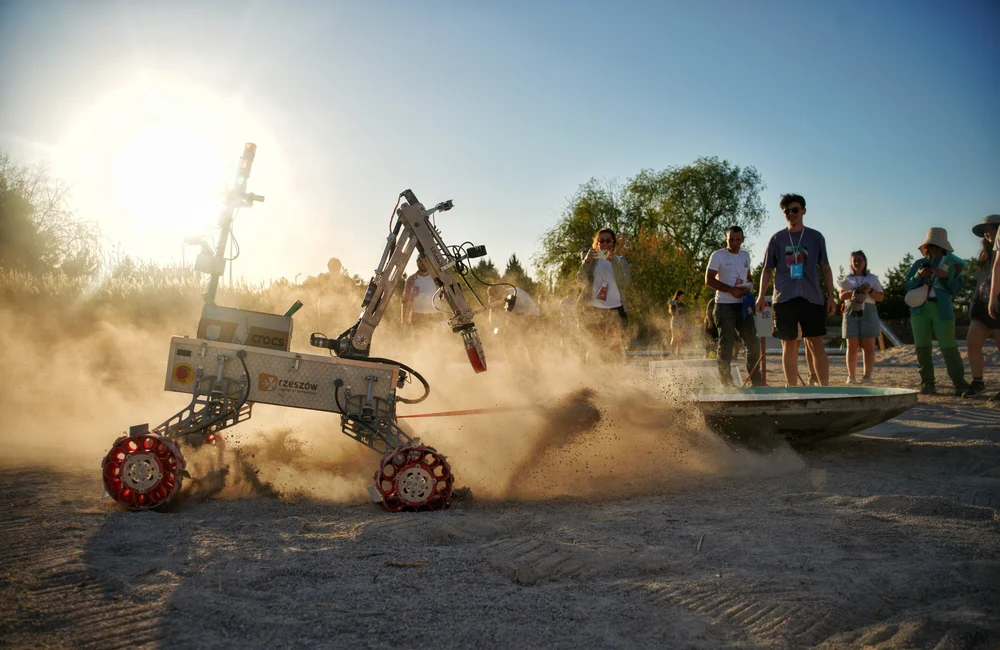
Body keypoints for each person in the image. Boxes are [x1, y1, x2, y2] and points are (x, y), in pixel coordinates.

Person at [756, 194, 837, 386]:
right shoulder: (777, 239)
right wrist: (760, 296)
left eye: (795, 210)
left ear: (803, 210)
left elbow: (825, 267)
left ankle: (824, 388)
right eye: (787, 211)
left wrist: (831, 295)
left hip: (812, 297)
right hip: (785, 298)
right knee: (789, 344)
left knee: (815, 342)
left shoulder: (816, 237)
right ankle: (791, 388)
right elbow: (767, 270)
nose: (791, 214)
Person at [904, 228, 969, 396]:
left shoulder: (953, 265)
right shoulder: (919, 264)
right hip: (920, 309)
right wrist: (919, 275)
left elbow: (957, 289)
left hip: (942, 309)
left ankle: (959, 382)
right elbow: (908, 286)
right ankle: (927, 383)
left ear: (943, 248)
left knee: (949, 347)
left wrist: (946, 277)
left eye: (936, 246)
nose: (932, 249)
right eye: (930, 246)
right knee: (922, 347)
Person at [706, 225, 762, 385]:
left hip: (743, 305)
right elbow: (708, 280)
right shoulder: (718, 255)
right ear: (726, 239)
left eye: (738, 239)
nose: (734, 243)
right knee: (726, 344)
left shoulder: (745, 255)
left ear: (743, 240)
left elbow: (748, 276)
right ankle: (727, 382)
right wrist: (731, 290)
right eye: (731, 239)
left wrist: (749, 286)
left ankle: (756, 380)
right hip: (724, 305)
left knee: (753, 343)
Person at [578, 228, 632, 360]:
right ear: (596, 243)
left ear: (613, 243)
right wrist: (586, 261)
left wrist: (613, 262)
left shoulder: (620, 260)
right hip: (594, 309)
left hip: (616, 309)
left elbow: (625, 282)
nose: (605, 244)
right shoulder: (590, 260)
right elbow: (580, 280)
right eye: (601, 241)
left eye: (608, 241)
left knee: (616, 347)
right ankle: (591, 377)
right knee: (594, 346)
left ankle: (616, 377)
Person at [963, 215, 1000, 400]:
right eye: (984, 231)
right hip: (981, 305)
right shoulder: (984, 255)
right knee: (972, 345)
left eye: (991, 229)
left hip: (999, 305)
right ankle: (978, 382)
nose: (987, 233)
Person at [838, 250, 884, 384]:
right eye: (854, 260)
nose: (857, 263)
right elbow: (841, 296)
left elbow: (880, 297)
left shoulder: (872, 278)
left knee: (869, 345)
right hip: (851, 310)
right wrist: (854, 291)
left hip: (868, 310)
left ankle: (867, 376)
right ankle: (851, 376)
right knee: (851, 345)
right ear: (851, 263)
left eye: (860, 260)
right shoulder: (847, 279)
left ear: (865, 262)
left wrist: (869, 290)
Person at [401, 257, 442, 328]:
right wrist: (404, 320)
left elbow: (446, 297)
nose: (423, 263)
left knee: (438, 338)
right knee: (418, 338)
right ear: (417, 262)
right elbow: (405, 300)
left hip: (436, 314)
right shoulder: (411, 279)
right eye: (421, 261)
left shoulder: (437, 277)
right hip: (418, 316)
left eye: (425, 261)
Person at [667, 290, 687, 357]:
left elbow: (683, 314)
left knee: (680, 338)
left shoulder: (682, 303)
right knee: (674, 338)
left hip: (681, 320)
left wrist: (684, 324)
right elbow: (676, 314)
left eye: (683, 296)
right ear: (678, 296)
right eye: (682, 296)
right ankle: (672, 354)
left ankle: (678, 354)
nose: (683, 298)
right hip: (675, 321)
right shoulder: (673, 304)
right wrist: (676, 305)